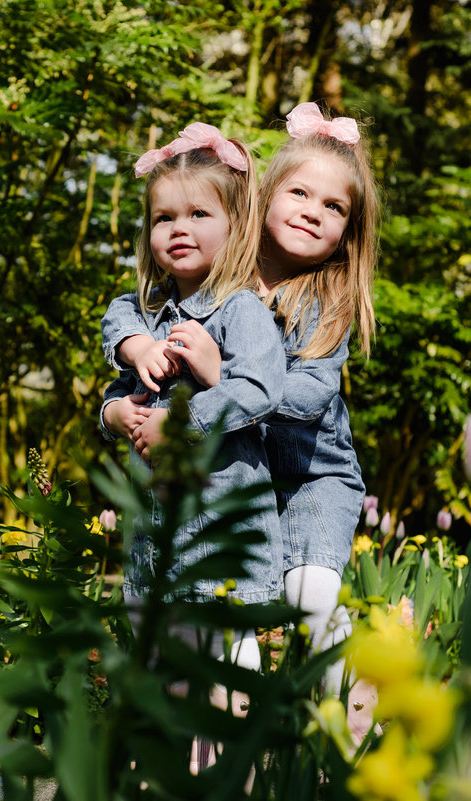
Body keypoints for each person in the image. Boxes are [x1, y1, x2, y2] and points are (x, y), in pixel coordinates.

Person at [103, 103, 378, 737]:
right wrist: (128, 364)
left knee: (309, 596)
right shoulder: (218, 279)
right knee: (222, 604)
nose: (312, 210)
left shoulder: (325, 303)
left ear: (349, 230)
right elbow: (132, 308)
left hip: (312, 477)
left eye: (333, 207)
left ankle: (356, 723)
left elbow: (303, 399)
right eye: (299, 192)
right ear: (260, 202)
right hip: (242, 474)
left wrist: (218, 374)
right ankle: (240, 735)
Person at [99, 123, 286, 678]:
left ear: (235, 227)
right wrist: (115, 413)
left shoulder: (240, 312)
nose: (180, 228)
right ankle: (170, 760)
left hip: (218, 528)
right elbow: (115, 396)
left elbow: (259, 388)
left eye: (199, 215)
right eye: (165, 217)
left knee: (228, 658)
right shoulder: (146, 320)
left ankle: (239, 762)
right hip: (152, 536)